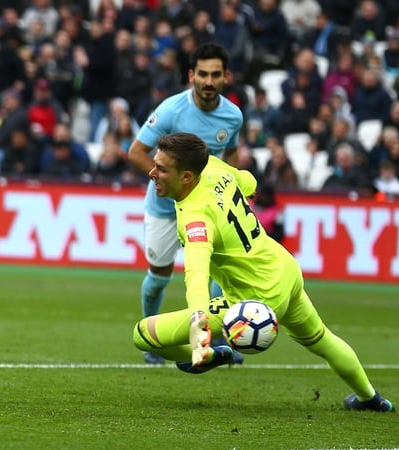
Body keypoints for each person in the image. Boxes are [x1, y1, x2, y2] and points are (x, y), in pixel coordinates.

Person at [133, 132, 394, 412]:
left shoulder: (195, 217)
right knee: (321, 338)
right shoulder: (213, 166)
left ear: (186, 176)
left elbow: (196, 272)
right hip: (283, 269)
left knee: (144, 335)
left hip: (254, 299)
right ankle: (372, 399)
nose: (151, 173)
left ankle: (204, 355)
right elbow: (249, 181)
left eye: (161, 169)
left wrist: (199, 321)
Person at [126, 42, 243, 365]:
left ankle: (218, 340)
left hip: (209, 211)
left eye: (215, 75)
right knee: (159, 277)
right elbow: (136, 152)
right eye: (202, 74)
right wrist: (166, 181)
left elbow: (229, 154)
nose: (208, 81)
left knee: (220, 276)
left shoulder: (232, 116)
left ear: (225, 77)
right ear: (191, 75)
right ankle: (154, 341)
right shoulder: (170, 111)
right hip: (165, 209)